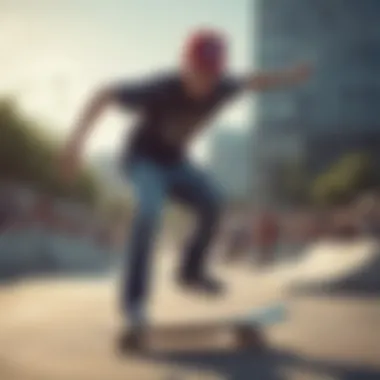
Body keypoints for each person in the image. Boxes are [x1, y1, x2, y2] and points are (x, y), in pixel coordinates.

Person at [60, 28, 312, 347]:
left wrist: (290, 75)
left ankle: (190, 271)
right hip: (142, 161)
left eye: (211, 76)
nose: (205, 84)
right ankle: (135, 305)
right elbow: (104, 93)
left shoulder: (223, 87)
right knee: (150, 209)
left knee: (214, 202)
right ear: (185, 66)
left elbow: (254, 80)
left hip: (177, 164)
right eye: (198, 74)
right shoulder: (160, 87)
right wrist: (75, 143)